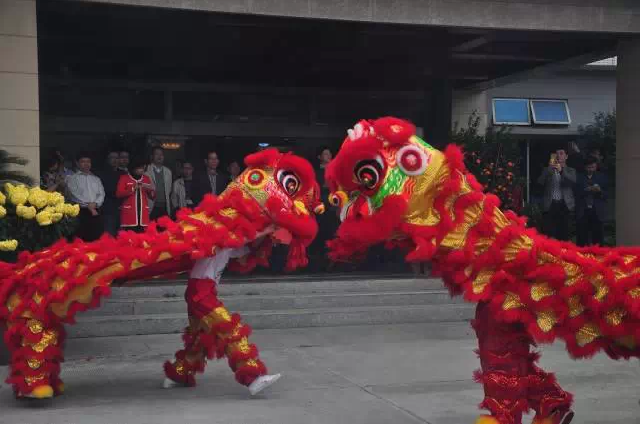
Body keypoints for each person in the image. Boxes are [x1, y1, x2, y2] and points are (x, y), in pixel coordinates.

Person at [537, 147, 576, 241]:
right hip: (550, 204)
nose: (558, 156)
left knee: (564, 233)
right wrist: (548, 169)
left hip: (564, 204)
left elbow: (572, 182)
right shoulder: (548, 170)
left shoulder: (571, 170)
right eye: (556, 153)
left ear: (566, 156)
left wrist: (561, 171)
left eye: (561, 153)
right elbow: (540, 182)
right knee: (548, 233)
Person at [65, 152, 105, 242]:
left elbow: (101, 194)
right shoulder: (72, 178)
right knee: (81, 239)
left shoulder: (96, 178)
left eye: (88, 162)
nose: (86, 164)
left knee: (96, 239)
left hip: (96, 211)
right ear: (77, 163)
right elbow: (74, 194)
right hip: (81, 212)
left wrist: (95, 204)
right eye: (83, 161)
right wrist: (89, 205)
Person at [116, 158, 156, 233]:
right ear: (133, 168)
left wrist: (152, 192)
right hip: (129, 216)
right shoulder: (124, 178)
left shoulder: (146, 178)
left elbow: (152, 196)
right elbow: (119, 193)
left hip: (143, 216)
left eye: (143, 168)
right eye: (139, 168)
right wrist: (132, 188)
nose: (142, 170)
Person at [576, 156, 608, 246]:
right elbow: (574, 192)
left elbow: (606, 194)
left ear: (596, 166)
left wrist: (599, 190)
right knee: (582, 238)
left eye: (593, 167)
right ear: (585, 167)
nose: (591, 169)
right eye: (589, 167)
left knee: (598, 238)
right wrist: (586, 190)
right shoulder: (579, 177)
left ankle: (598, 254)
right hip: (583, 211)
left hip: (597, 211)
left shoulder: (602, 177)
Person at [99, 150, 124, 236]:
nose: (115, 160)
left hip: (122, 209)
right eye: (112, 158)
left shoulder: (123, 174)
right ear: (108, 159)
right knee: (109, 235)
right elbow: (105, 190)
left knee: (121, 235)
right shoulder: (102, 174)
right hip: (108, 209)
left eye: (117, 158)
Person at [145, 146, 172, 220]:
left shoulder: (168, 172)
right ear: (152, 156)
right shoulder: (146, 170)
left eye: (161, 154)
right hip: (151, 206)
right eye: (157, 154)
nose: (159, 156)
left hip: (164, 207)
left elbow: (169, 190)